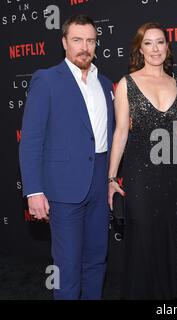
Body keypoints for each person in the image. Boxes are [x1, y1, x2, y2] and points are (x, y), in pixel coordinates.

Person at [19, 14, 114, 300]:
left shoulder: (107, 83)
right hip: (63, 188)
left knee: (96, 261)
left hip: (98, 183)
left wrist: (110, 179)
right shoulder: (46, 79)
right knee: (67, 268)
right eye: (77, 40)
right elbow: (31, 140)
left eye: (90, 40)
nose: (84, 47)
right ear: (64, 42)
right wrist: (34, 190)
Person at [107, 22, 177, 300]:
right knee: (142, 238)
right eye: (149, 43)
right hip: (140, 171)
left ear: (167, 47)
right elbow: (119, 131)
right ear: (140, 49)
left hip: (175, 171)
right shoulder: (127, 83)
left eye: (160, 42)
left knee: (172, 236)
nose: (155, 48)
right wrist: (111, 178)